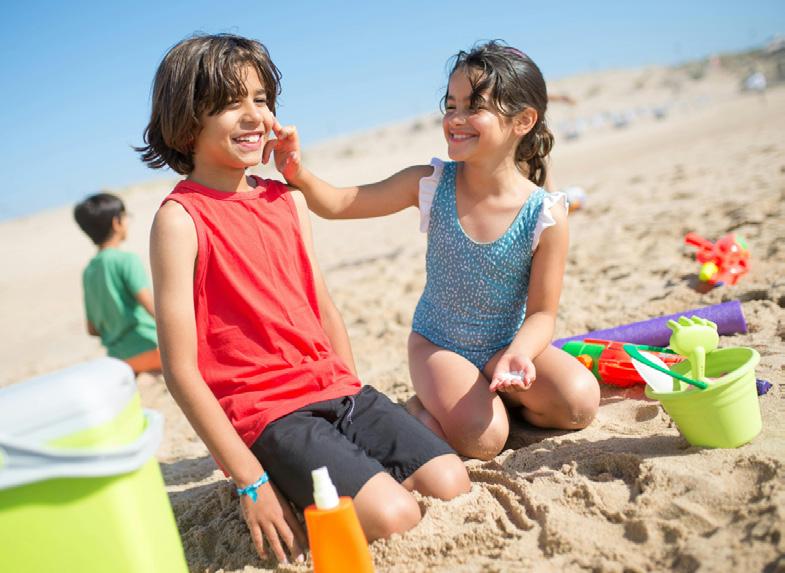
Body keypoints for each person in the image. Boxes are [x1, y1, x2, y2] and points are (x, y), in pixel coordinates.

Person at [139, 34, 470, 565]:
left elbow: (323, 308)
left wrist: (353, 396)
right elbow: (180, 371)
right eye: (231, 103)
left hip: (336, 390)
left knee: (451, 480)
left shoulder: (287, 201)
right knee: (394, 516)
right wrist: (250, 482)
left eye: (261, 99)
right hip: (268, 415)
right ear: (186, 120)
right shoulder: (179, 220)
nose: (254, 116)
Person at [266, 41, 601, 461]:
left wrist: (518, 354)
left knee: (579, 402)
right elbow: (339, 203)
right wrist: (297, 170)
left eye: (473, 107)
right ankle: (422, 410)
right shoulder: (430, 183)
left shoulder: (545, 213)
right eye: (450, 105)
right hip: (438, 346)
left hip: (505, 344)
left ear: (523, 121)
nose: (455, 119)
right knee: (484, 440)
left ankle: (487, 396)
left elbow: (542, 314)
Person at [74, 193, 161, 374]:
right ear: (116, 222)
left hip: (118, 360)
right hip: (149, 347)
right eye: (125, 216)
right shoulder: (126, 260)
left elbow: (92, 329)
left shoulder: (89, 271)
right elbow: (153, 309)